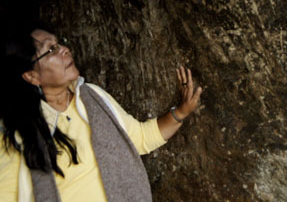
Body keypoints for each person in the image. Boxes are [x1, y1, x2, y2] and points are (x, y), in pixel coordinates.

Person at [0, 23, 202, 202]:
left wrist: (181, 112)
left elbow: (139, 138)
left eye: (59, 43)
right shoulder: (16, 132)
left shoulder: (91, 97)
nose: (65, 50)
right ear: (32, 76)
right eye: (51, 49)